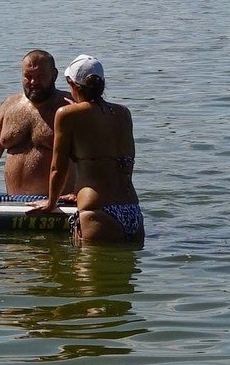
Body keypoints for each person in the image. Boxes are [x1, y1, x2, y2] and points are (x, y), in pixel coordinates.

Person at [29, 54, 145, 246]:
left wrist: (51, 203)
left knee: (88, 276)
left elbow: (58, 167)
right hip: (132, 212)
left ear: (71, 83)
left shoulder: (66, 115)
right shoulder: (123, 113)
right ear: (102, 83)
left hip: (98, 214)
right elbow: (119, 162)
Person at [0, 49, 68, 197]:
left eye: (40, 76)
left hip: (57, 204)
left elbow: (94, 156)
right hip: (13, 203)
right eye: (28, 76)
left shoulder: (69, 107)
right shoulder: (9, 105)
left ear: (54, 75)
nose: (34, 82)